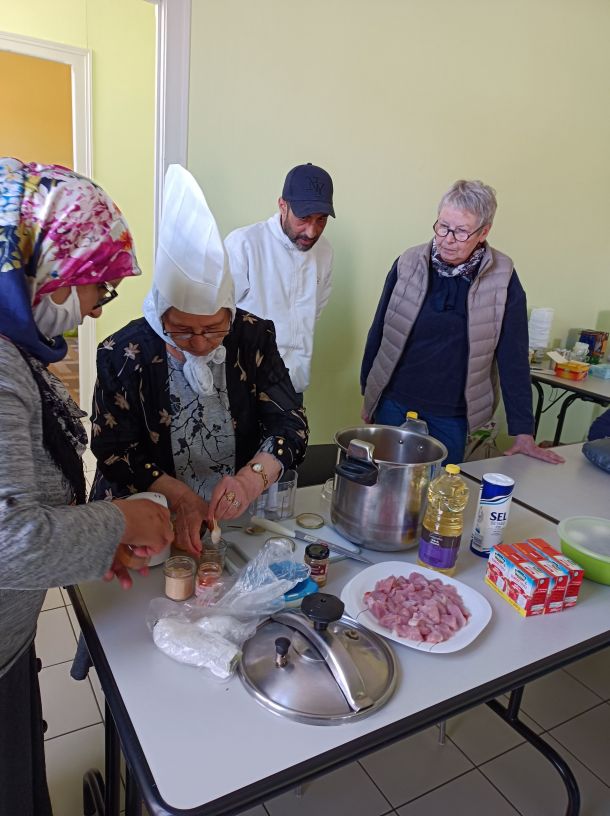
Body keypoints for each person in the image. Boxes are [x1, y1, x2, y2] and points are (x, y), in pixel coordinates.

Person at [0, 158, 174, 816]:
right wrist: (122, 520)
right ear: (48, 264)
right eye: (100, 282)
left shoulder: (19, 350)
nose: (102, 302)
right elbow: (9, 539)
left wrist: (94, 545)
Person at [90, 165, 308, 555]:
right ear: (160, 316)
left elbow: (289, 424)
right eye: (182, 330)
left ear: (230, 312)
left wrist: (250, 480)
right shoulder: (122, 353)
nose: (200, 343)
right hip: (148, 516)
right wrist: (178, 496)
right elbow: (113, 449)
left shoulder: (253, 337)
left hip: (234, 514)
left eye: (213, 328)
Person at [361, 179, 564, 466]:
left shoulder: (502, 278)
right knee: (384, 480)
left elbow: (513, 357)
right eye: (443, 226)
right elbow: (381, 330)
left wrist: (523, 431)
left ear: (484, 232)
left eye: (461, 231)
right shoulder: (408, 262)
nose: (447, 239)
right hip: (394, 403)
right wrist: (368, 395)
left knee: (441, 489)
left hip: (452, 416)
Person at [225, 162, 335, 394]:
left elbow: (314, 312)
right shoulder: (244, 244)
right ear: (283, 206)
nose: (312, 231)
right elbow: (219, 316)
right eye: (304, 218)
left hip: (294, 384)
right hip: (244, 383)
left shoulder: (324, 252)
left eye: (321, 219)